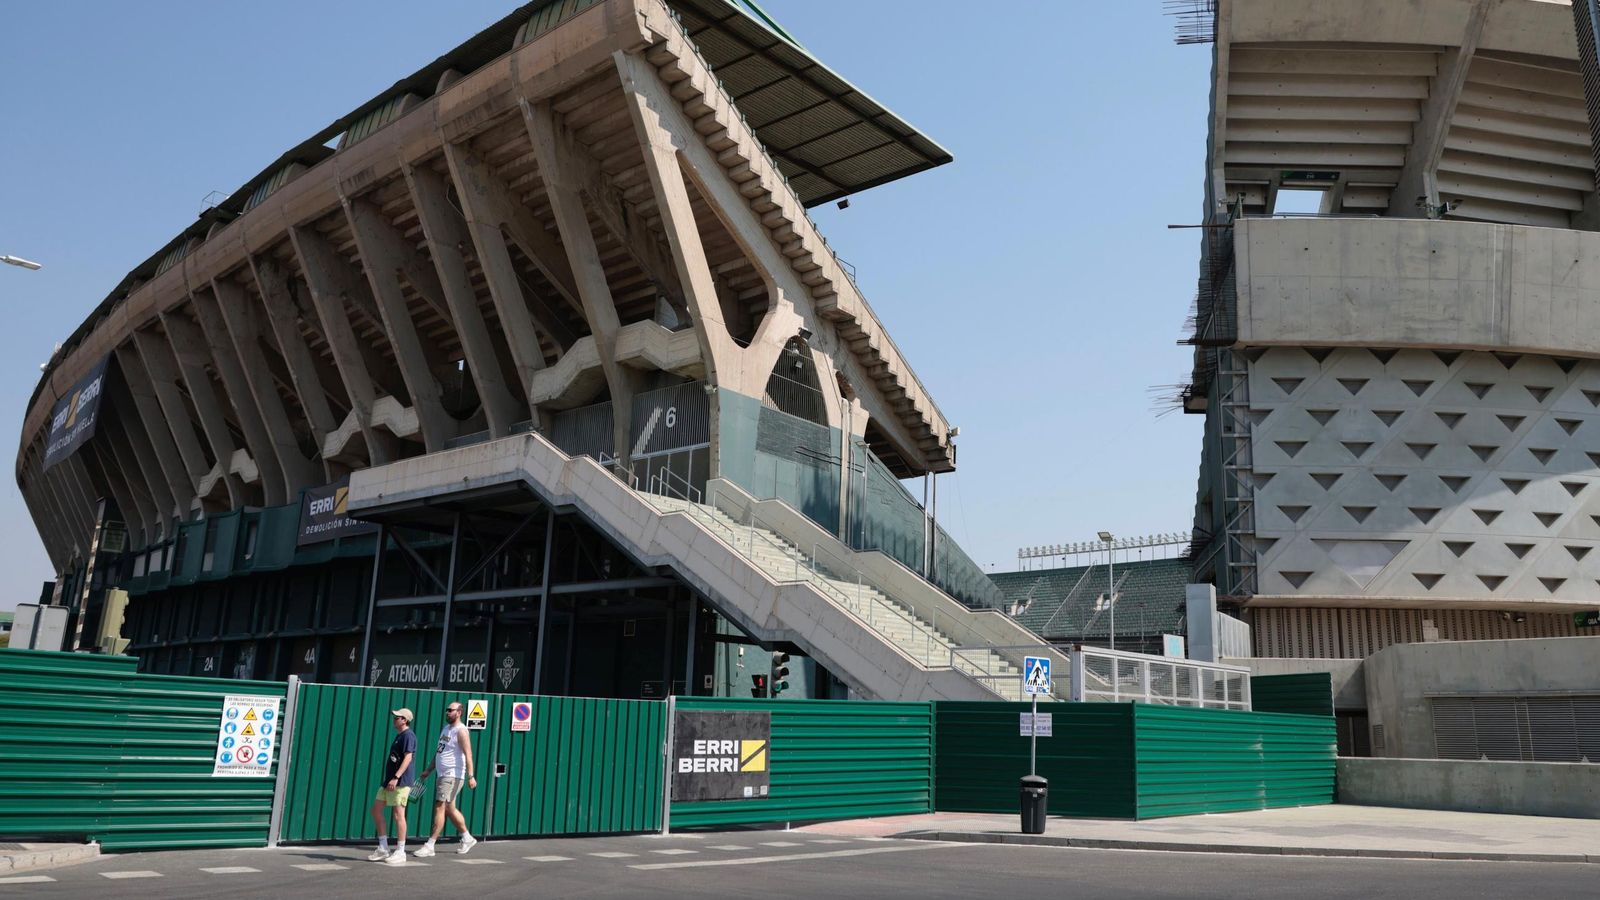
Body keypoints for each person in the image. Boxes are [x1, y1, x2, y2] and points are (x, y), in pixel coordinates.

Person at [414, 701, 479, 857]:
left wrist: (471, 776)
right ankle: (467, 838)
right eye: (447, 710)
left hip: (453, 774)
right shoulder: (446, 729)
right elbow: (439, 752)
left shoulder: (461, 731)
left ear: (459, 713)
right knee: (450, 809)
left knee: (440, 807)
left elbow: (468, 754)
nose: (448, 712)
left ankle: (430, 845)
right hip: (442, 774)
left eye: (451, 710)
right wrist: (428, 770)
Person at [367, 707, 418, 865]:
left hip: (400, 782)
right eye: (395, 717)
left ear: (405, 720)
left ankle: (401, 852)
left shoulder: (408, 736)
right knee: (376, 810)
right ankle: (383, 848)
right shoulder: (399, 736)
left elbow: (408, 758)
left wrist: (396, 777)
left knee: (398, 815)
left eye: (397, 717)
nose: (394, 719)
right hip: (389, 781)